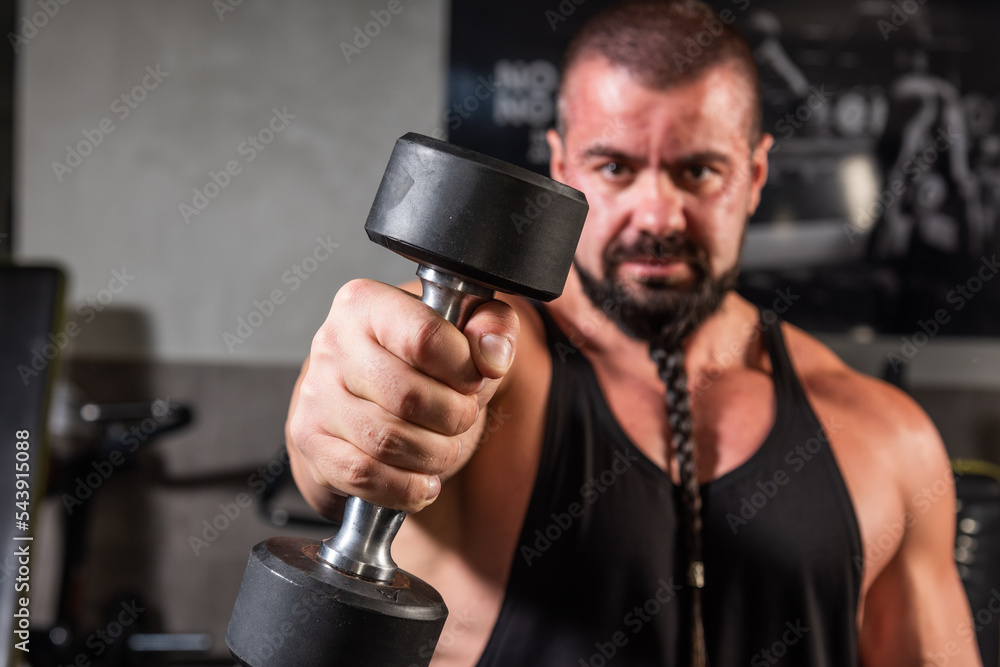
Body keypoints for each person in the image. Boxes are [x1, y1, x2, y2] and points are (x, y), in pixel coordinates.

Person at [285, 1, 981, 665]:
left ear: (756, 174)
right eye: (614, 167)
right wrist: (357, 410)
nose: (658, 215)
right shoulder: (486, 361)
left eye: (698, 170)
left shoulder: (888, 440)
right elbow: (371, 413)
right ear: (562, 167)